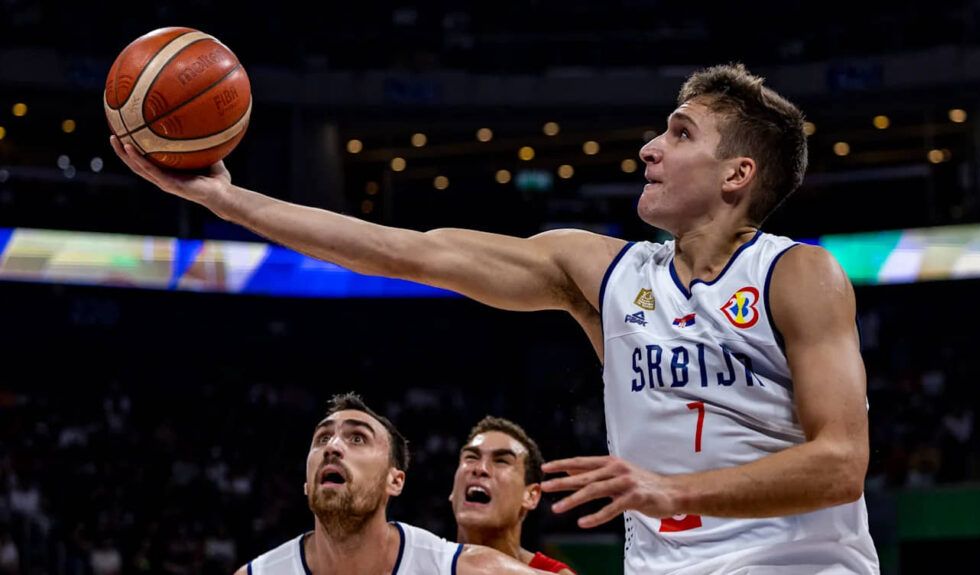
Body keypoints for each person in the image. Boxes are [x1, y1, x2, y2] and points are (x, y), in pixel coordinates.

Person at [113, 62, 880, 573]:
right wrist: (224, 199)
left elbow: (842, 461)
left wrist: (677, 490)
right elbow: (403, 252)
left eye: (680, 134)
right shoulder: (603, 273)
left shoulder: (797, 273)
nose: (650, 147)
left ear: (737, 174)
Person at [236, 393, 544, 574]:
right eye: (322, 438)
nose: (333, 447)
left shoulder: (462, 568)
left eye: (357, 438)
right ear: (306, 484)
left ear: (394, 481)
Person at [450, 417, 575, 574]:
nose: (480, 468)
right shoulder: (420, 561)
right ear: (453, 491)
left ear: (530, 496)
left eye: (501, 461)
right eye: (471, 457)